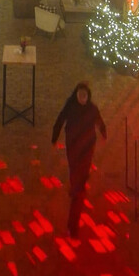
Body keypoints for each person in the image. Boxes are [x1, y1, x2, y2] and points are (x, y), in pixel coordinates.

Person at [51, 81, 107, 237]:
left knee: (79, 184)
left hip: (87, 150)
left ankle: (73, 224)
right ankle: (76, 188)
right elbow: (60, 120)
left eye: (85, 95)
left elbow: (99, 121)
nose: (82, 98)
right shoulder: (70, 107)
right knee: (75, 173)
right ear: (76, 95)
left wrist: (104, 132)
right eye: (80, 95)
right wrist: (54, 137)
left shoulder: (92, 109)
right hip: (74, 148)